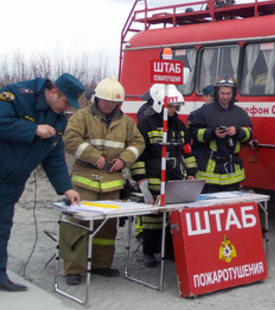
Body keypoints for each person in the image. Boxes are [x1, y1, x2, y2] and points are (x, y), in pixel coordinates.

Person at [0, 74, 84, 292]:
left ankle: (0, 276)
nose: (66, 108)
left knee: (2, 228)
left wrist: (66, 188)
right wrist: (33, 129)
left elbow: (54, 157)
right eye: (66, 102)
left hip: (12, 182)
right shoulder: (17, 95)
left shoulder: (59, 120)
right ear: (53, 92)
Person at [61, 75, 145, 285]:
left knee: (107, 227)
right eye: (106, 101)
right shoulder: (82, 117)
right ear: (96, 99)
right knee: (78, 223)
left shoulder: (126, 122)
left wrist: (123, 160)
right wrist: (93, 156)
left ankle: (101, 264)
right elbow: (70, 140)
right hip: (85, 180)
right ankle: (73, 269)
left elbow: (138, 143)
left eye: (114, 103)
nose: (109, 106)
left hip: (112, 183)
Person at [131, 84, 197, 267]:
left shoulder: (178, 124)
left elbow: (186, 150)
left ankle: (170, 251)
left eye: (176, 107)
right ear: (160, 104)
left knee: (174, 215)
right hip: (154, 177)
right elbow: (138, 154)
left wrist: (191, 172)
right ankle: (149, 252)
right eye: (172, 106)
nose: (175, 110)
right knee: (153, 217)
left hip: (175, 176)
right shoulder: (145, 124)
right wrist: (140, 178)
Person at [187, 75, 253, 193]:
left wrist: (237, 131)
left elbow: (249, 133)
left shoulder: (240, 113)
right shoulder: (205, 112)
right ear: (217, 93)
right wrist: (212, 133)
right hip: (209, 172)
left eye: (228, 93)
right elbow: (193, 133)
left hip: (232, 173)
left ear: (233, 93)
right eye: (222, 93)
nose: (225, 97)